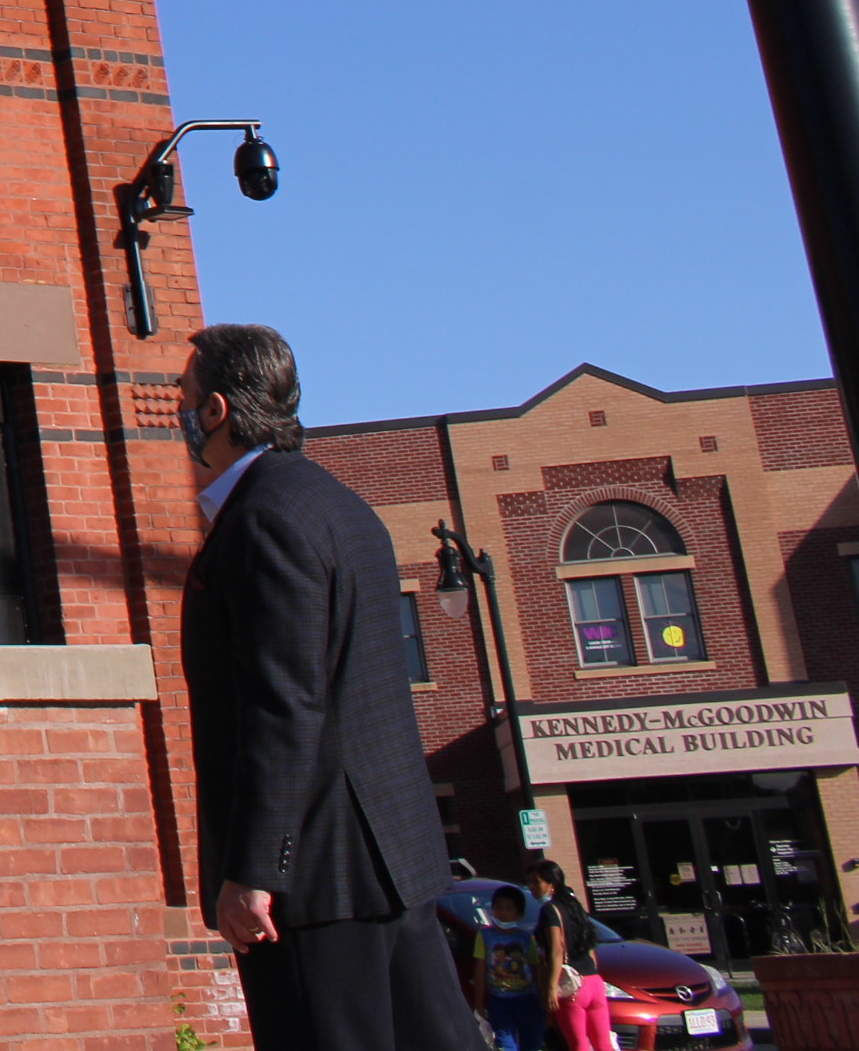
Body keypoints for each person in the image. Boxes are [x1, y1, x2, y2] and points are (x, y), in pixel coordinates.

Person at [176, 322, 470, 1050]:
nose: (177, 416)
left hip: (315, 881)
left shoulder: (262, 522)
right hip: (396, 869)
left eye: (181, 398)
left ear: (215, 411)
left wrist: (254, 870)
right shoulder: (343, 507)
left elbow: (285, 704)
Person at [530, 859, 612, 1051]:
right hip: (595, 982)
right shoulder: (575, 907)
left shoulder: (550, 910)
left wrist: (550, 988)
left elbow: (556, 949)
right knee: (604, 1044)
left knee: (578, 1045)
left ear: (551, 884)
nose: (532, 887)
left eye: (537, 881)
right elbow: (591, 948)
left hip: (572, 986)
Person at [470, 884, 550, 1050]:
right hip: (500, 1000)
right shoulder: (485, 935)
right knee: (506, 1044)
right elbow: (480, 968)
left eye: (509, 909)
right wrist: (479, 1001)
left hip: (528, 999)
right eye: (498, 908)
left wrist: (543, 997)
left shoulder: (526, 938)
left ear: (518, 914)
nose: (503, 913)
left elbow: (535, 967)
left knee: (533, 1043)